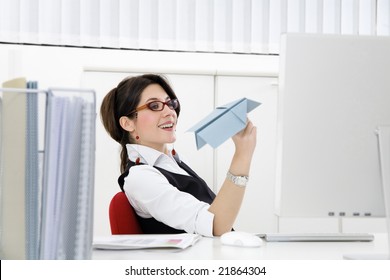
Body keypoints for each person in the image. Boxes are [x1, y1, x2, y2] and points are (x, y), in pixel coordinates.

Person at [100, 74, 257, 237]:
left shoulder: (176, 162)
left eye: (170, 103)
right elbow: (215, 225)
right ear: (127, 123)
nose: (170, 112)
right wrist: (243, 154)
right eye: (154, 105)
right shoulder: (140, 178)